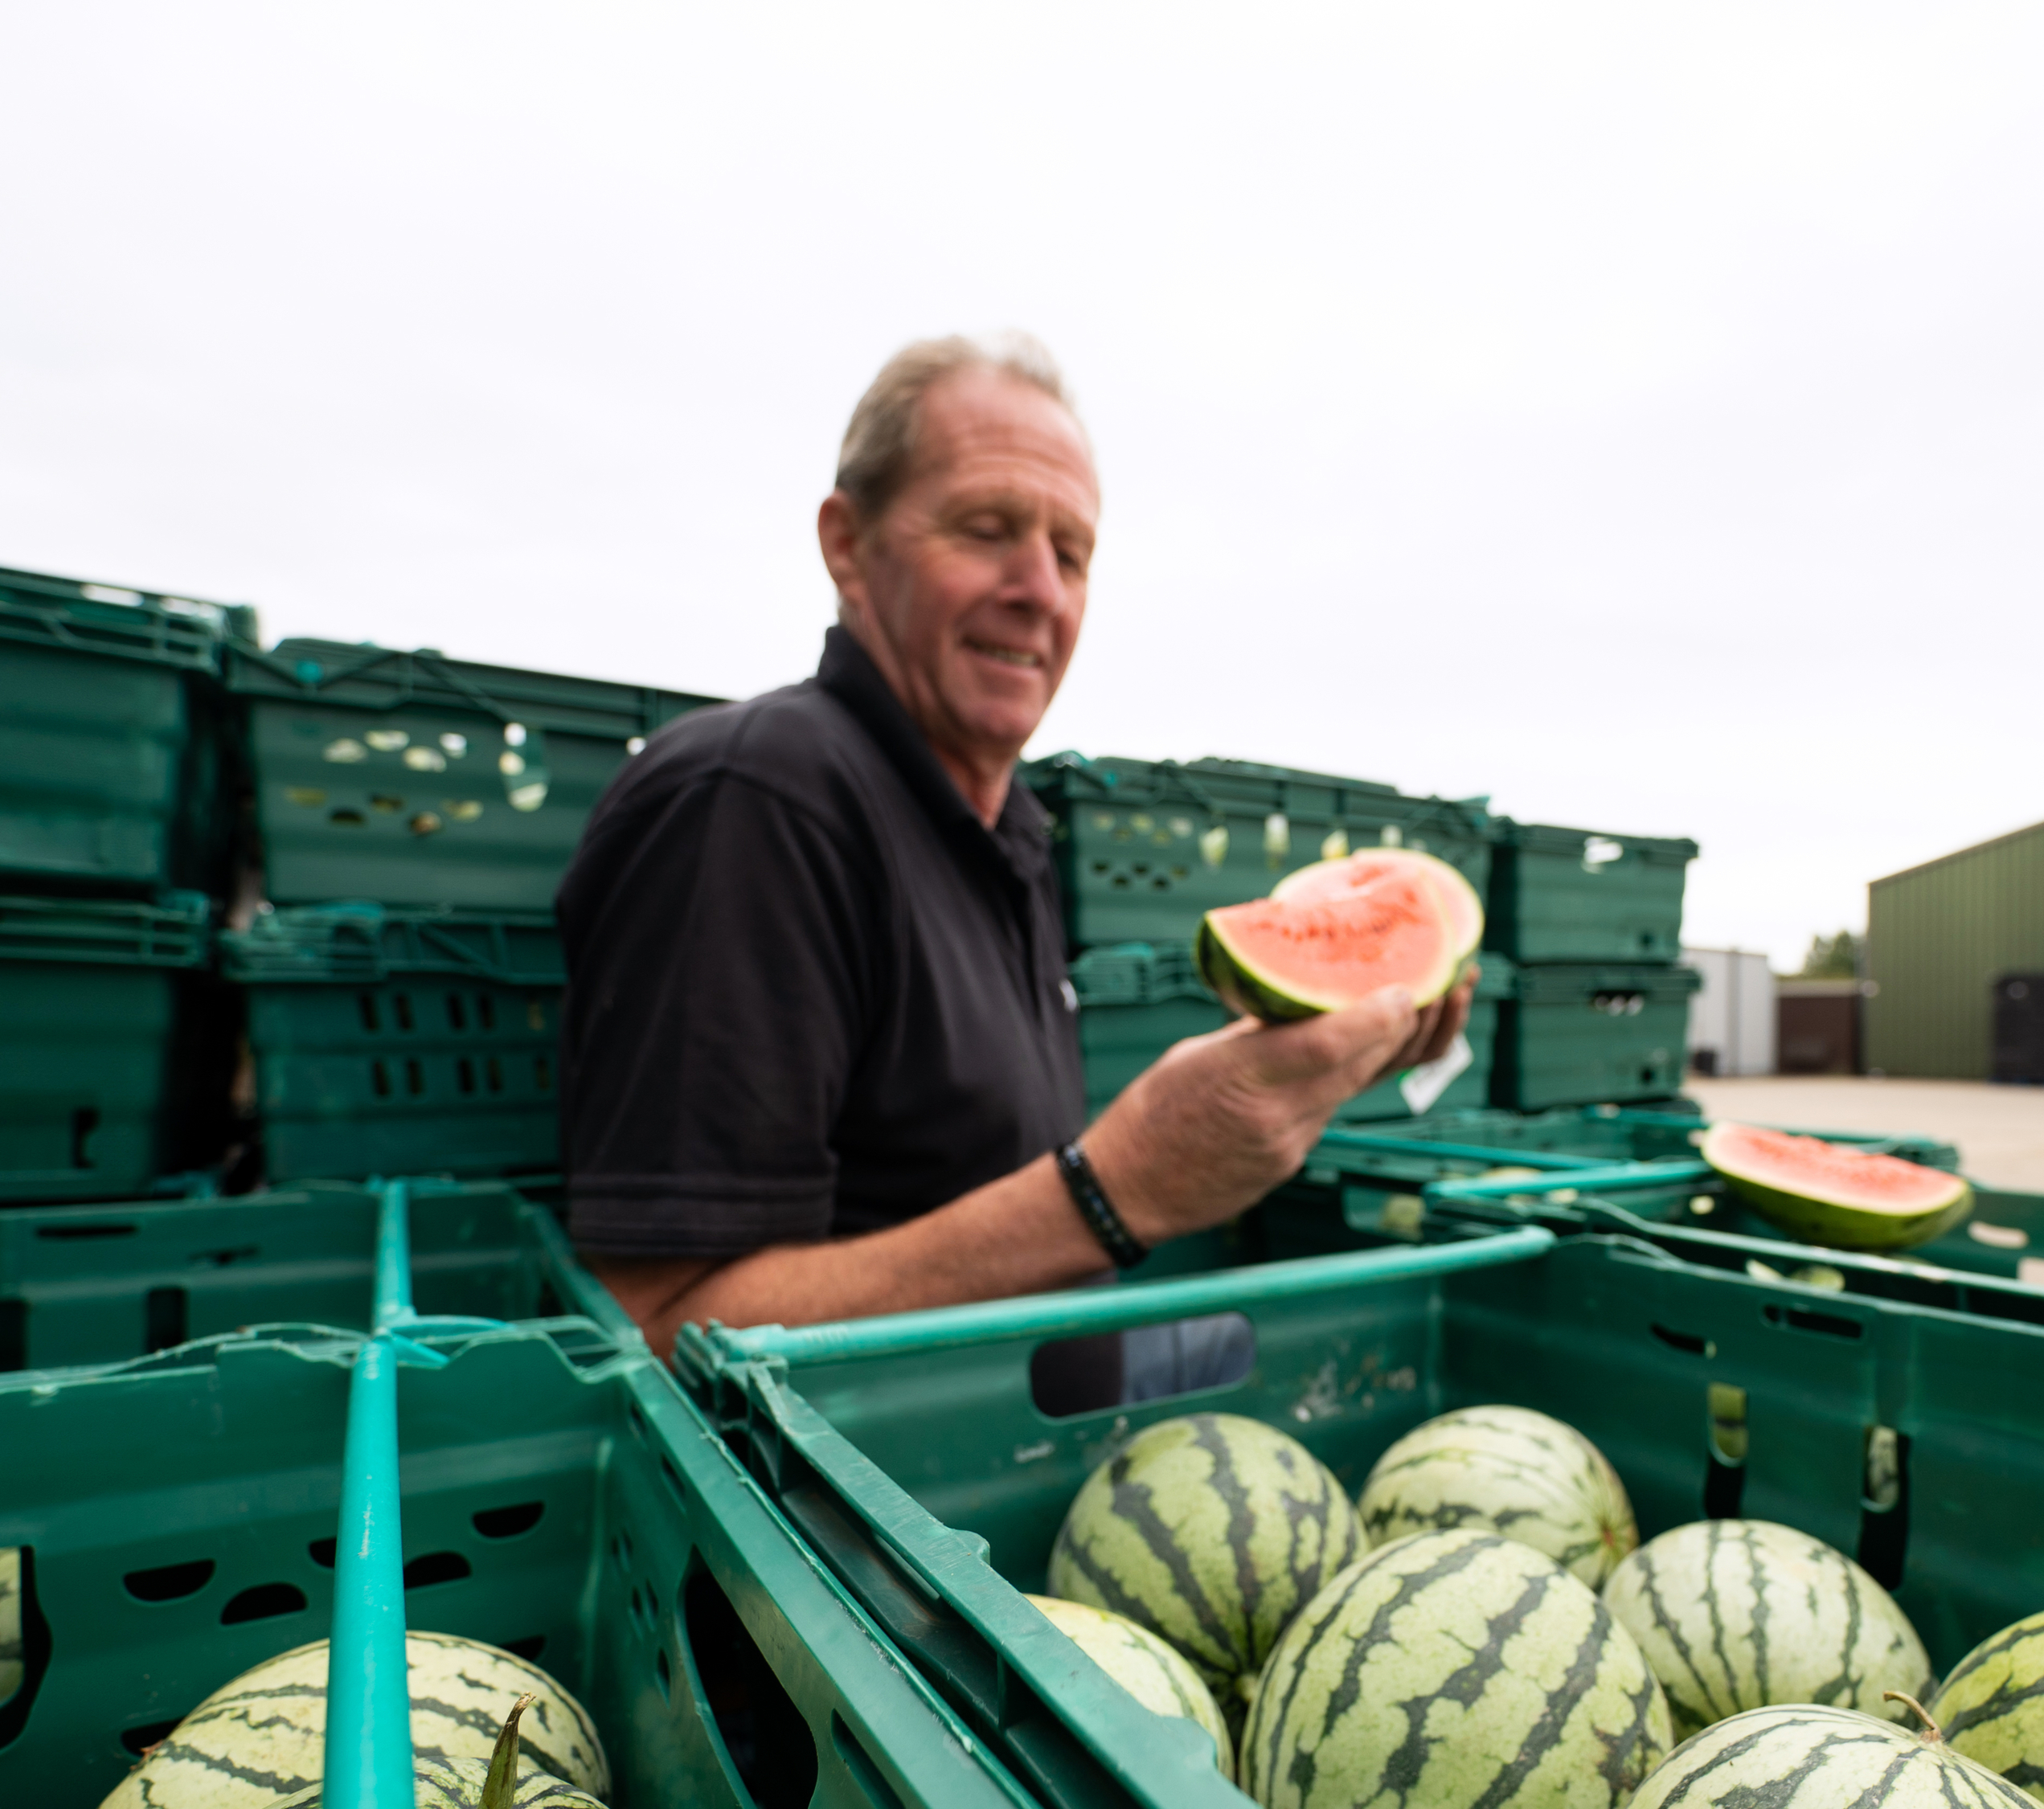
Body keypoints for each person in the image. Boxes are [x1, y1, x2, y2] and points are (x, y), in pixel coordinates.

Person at [558, 334, 1472, 1358]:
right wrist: (1114, 1188)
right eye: (987, 530)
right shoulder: (760, 798)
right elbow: (661, 1325)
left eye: (1070, 553)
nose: (1040, 590)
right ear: (848, 546)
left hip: (1029, 1420)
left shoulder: (1006, 829)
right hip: (859, 1496)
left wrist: (1302, 1064)